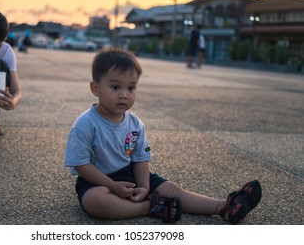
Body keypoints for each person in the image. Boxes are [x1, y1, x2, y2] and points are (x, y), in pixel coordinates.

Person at [64, 47, 261, 224]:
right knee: (95, 201)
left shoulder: (135, 124)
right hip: (97, 180)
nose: (124, 94)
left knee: (172, 190)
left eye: (131, 88)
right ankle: (150, 207)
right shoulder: (85, 124)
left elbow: (140, 159)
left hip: (130, 174)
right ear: (95, 88)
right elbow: (81, 164)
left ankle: (223, 207)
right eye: (115, 87)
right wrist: (112, 186)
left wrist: (143, 186)